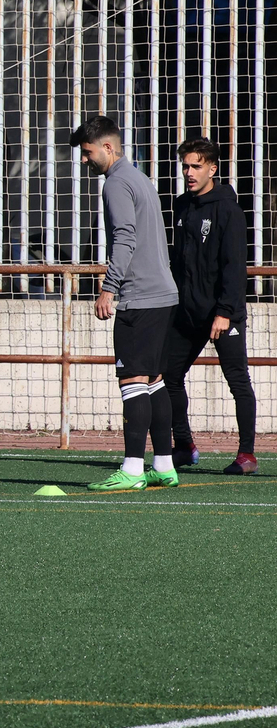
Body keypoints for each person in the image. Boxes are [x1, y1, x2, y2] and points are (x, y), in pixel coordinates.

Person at [71, 116, 181, 491]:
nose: (84, 161)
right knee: (155, 382)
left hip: (140, 297)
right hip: (164, 295)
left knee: (133, 380)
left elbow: (125, 237)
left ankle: (133, 469)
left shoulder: (116, 183)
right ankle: (164, 466)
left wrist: (109, 287)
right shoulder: (139, 178)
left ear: (108, 148)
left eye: (87, 153)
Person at [163, 137, 259, 476]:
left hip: (222, 313)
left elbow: (234, 266)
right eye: (185, 166)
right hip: (186, 311)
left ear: (212, 168)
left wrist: (225, 311)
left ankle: (247, 454)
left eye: (196, 166)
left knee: (238, 381)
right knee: (167, 375)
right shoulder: (181, 206)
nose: (189, 173)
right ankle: (185, 446)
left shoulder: (228, 209)